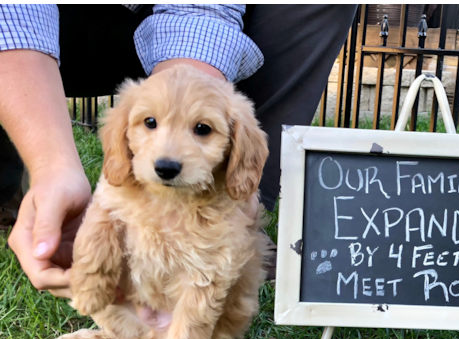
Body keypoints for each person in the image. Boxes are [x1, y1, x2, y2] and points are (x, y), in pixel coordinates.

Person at [0, 4, 357, 298]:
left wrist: (196, 105)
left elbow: (200, 9)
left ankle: (232, 214)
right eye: (149, 125)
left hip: (163, 23)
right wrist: (52, 165)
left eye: (203, 131)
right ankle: (7, 192)